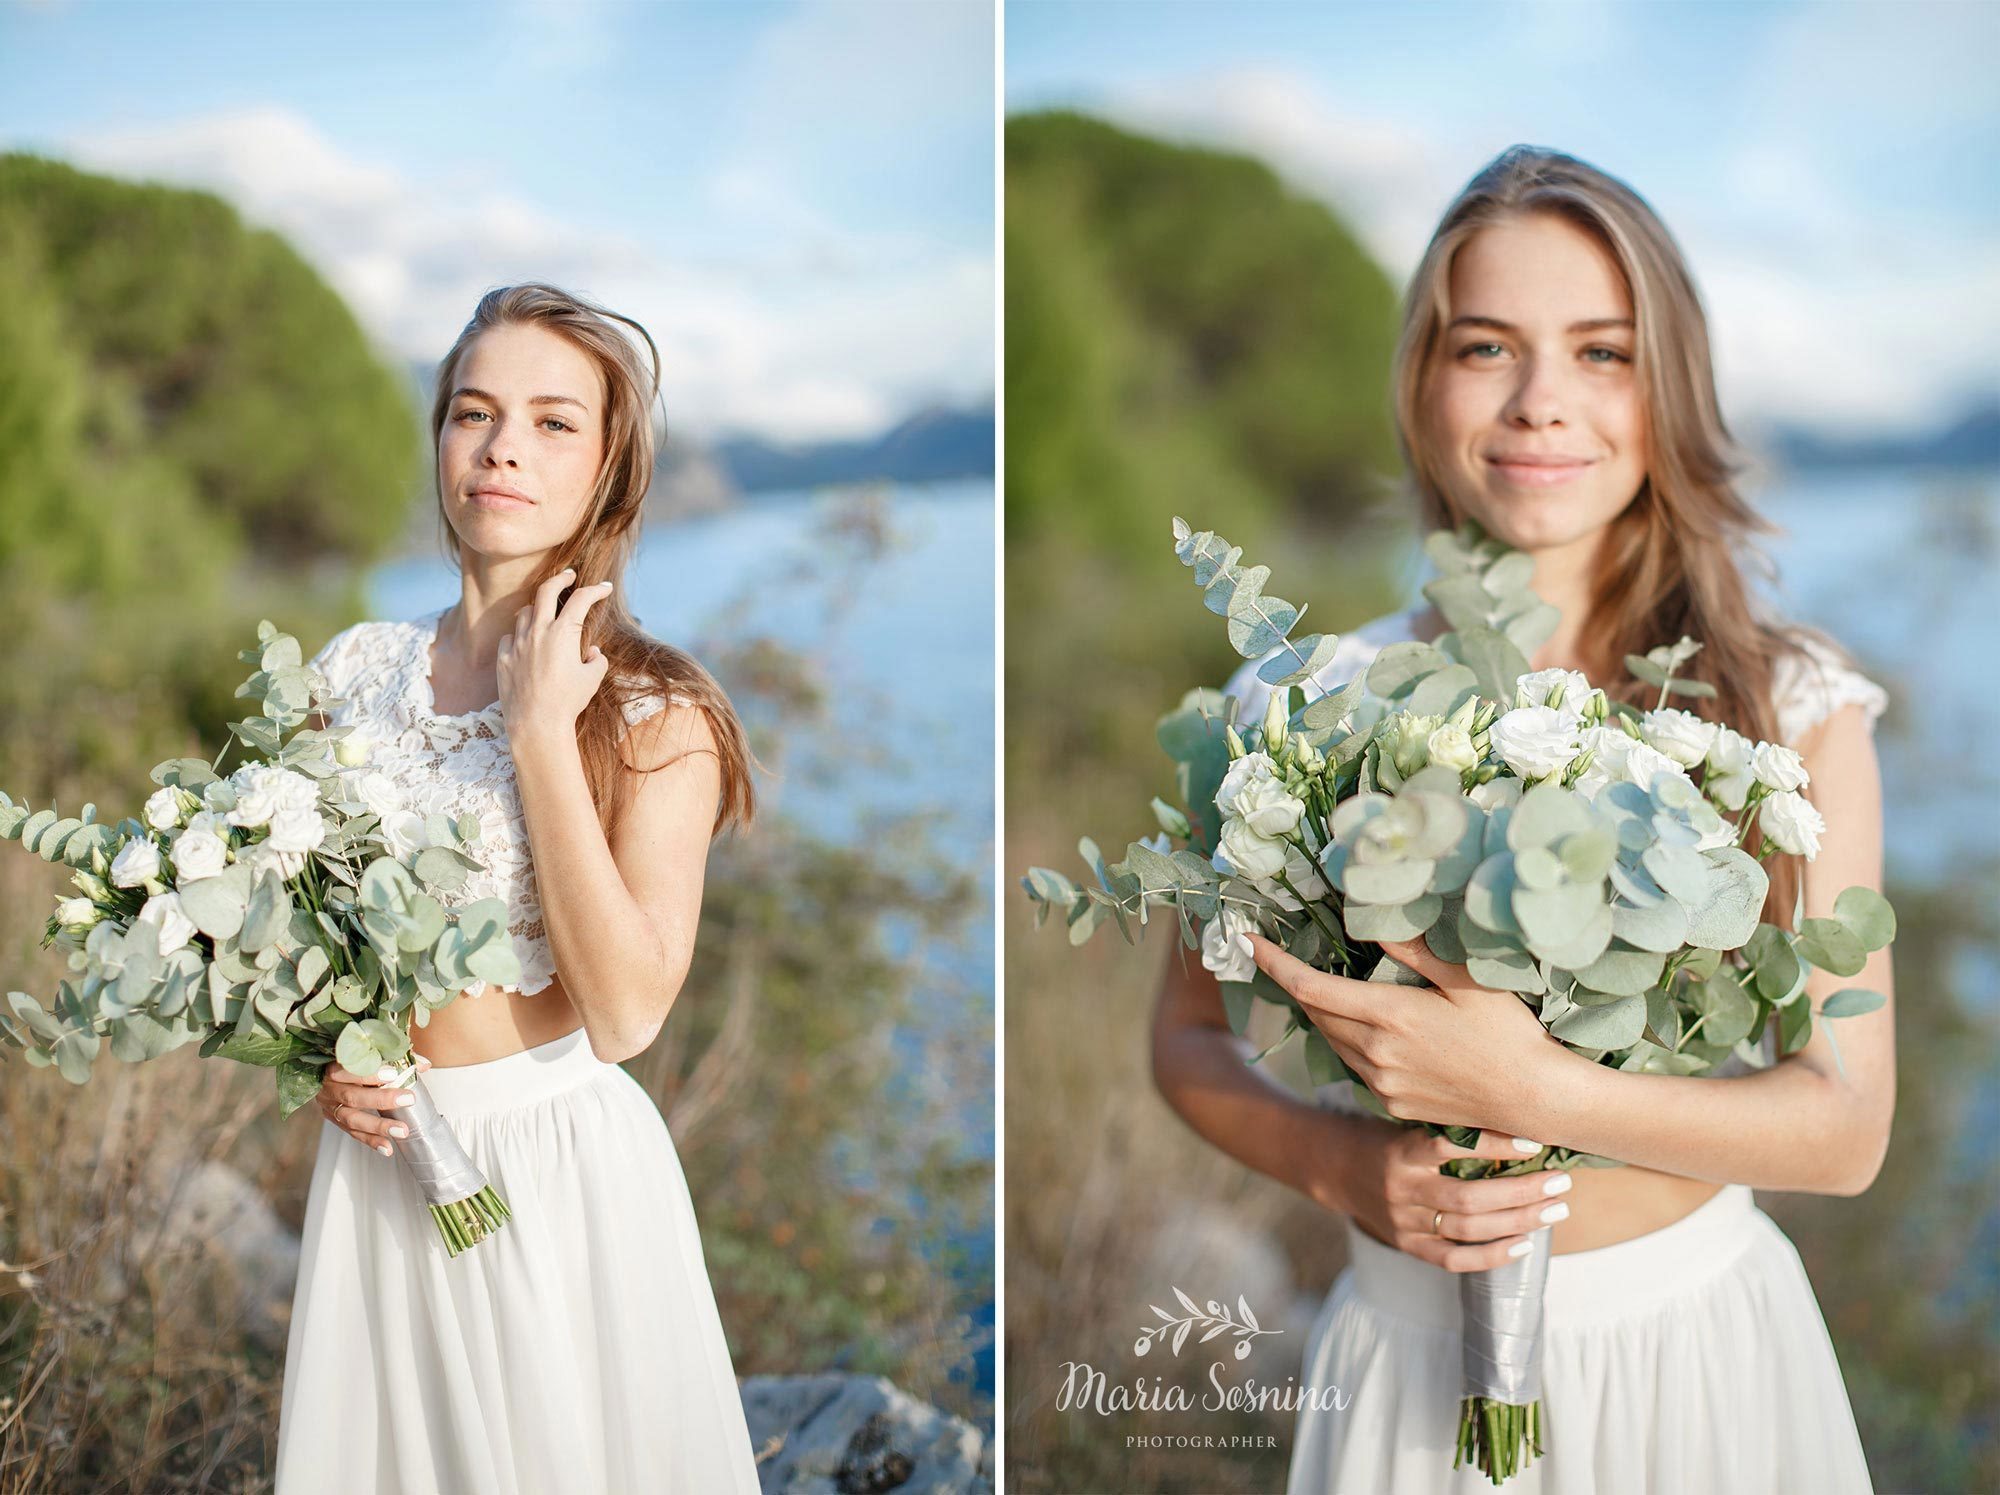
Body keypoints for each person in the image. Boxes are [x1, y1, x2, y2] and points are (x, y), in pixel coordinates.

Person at [1151, 147, 1889, 1494]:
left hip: (1692, 1354)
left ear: (1669, 384)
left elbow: (1845, 1128)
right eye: (1488, 346)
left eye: (1603, 352)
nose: (1543, 402)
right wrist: (1341, 1164)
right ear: (1424, 384)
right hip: (1403, 1348)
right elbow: (1188, 1038)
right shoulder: (1301, 700)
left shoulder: (1787, 703)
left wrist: (1531, 1091)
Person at [272, 283, 763, 1494]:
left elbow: (629, 1015)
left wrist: (541, 734)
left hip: (554, 1178)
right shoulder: (349, 672)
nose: (500, 447)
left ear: (609, 469)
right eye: (473, 412)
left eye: (552, 423)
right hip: (383, 1177)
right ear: (438, 437)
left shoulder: (659, 714)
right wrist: (324, 1059)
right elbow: (302, 939)